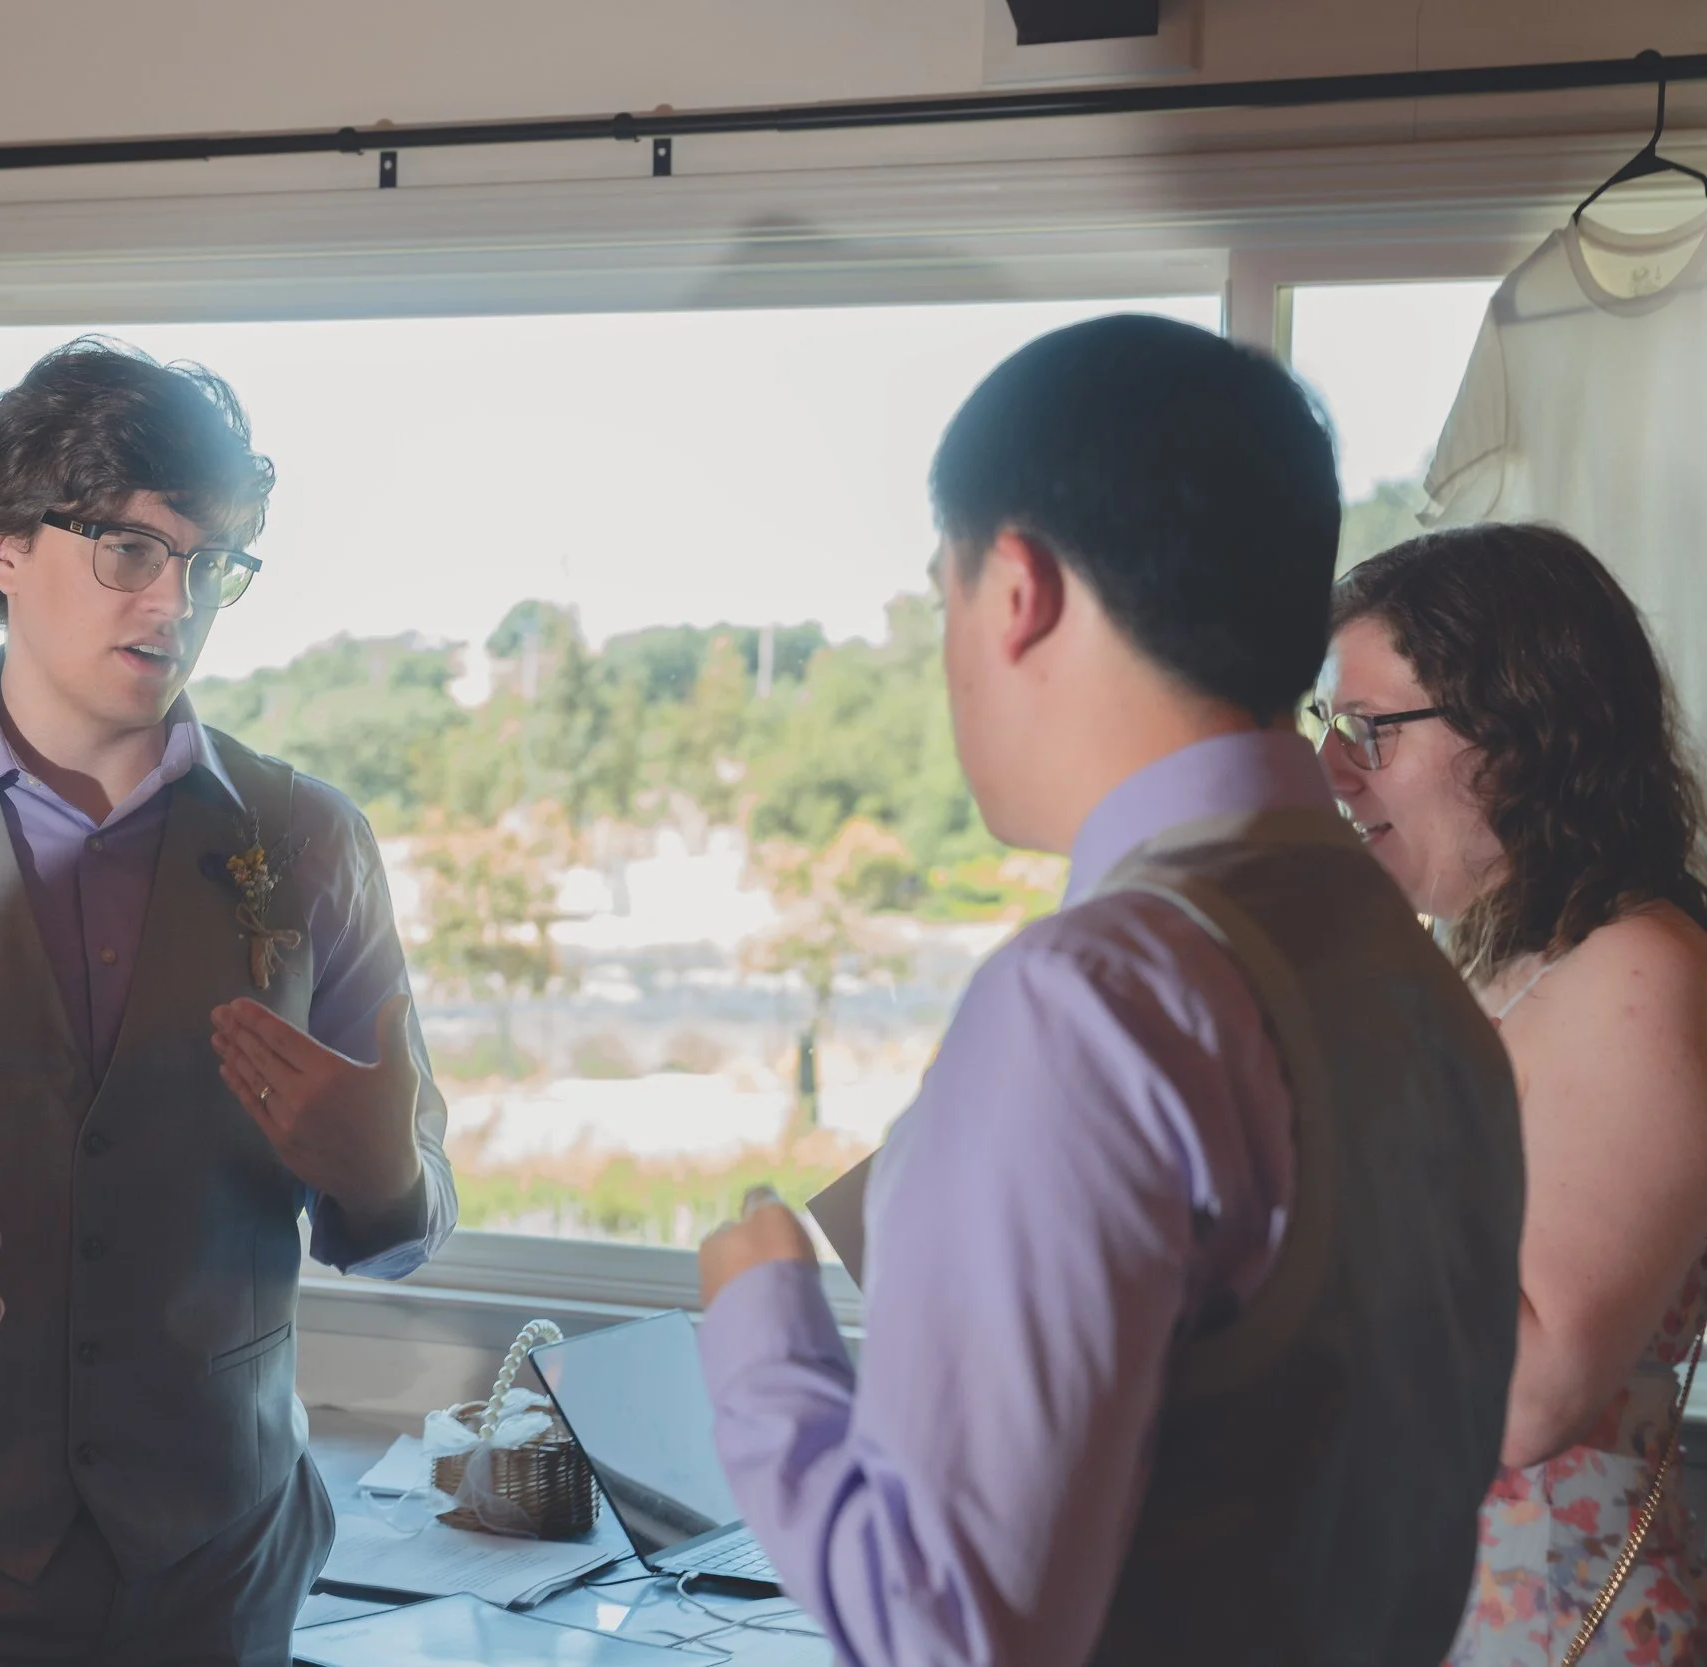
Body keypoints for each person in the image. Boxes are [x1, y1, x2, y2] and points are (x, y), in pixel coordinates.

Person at [695, 315, 1526, 1666]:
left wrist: (762, 1332)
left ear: (1016, 586)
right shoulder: (1415, 975)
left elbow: (953, 1630)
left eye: (942, 591)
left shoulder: (1094, 997)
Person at [0, 337, 457, 1667]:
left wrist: (386, 1180)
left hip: (223, 1573)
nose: (177, 600)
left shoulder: (311, 839)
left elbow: (416, 1206)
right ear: (5, 545)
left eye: (213, 560)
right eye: (132, 548)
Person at [1321, 525, 1707, 1667]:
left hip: (1534, 1622)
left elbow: (1526, 1397)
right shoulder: (1498, 958)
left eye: (1371, 730)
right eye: (1329, 725)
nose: (1334, 768)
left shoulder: (1636, 969)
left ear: (1516, 731)